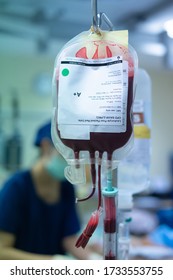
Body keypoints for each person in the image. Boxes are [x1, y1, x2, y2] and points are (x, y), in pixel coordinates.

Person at [0, 120, 102, 260]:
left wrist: (93, 260)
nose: (72, 161)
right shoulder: (16, 187)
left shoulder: (66, 187)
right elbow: (2, 251)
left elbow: (69, 239)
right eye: (67, 155)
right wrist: (52, 262)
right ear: (46, 146)